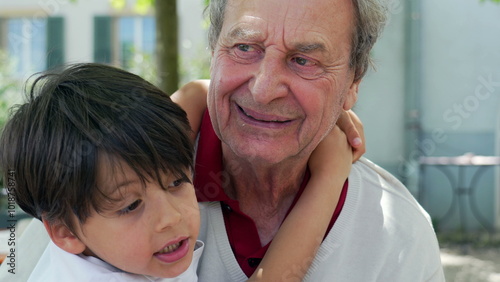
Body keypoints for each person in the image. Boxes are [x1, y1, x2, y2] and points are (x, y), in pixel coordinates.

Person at [0, 63, 353, 281]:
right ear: (63, 233)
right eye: (130, 206)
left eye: (176, 182)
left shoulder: (81, 206)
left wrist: (203, 93)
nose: (171, 218)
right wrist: (328, 178)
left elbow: (180, 115)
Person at [189, 0, 445, 281]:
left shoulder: (399, 236)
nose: (264, 90)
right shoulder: (141, 184)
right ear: (213, 53)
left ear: (353, 83)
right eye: (245, 48)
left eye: (303, 61)